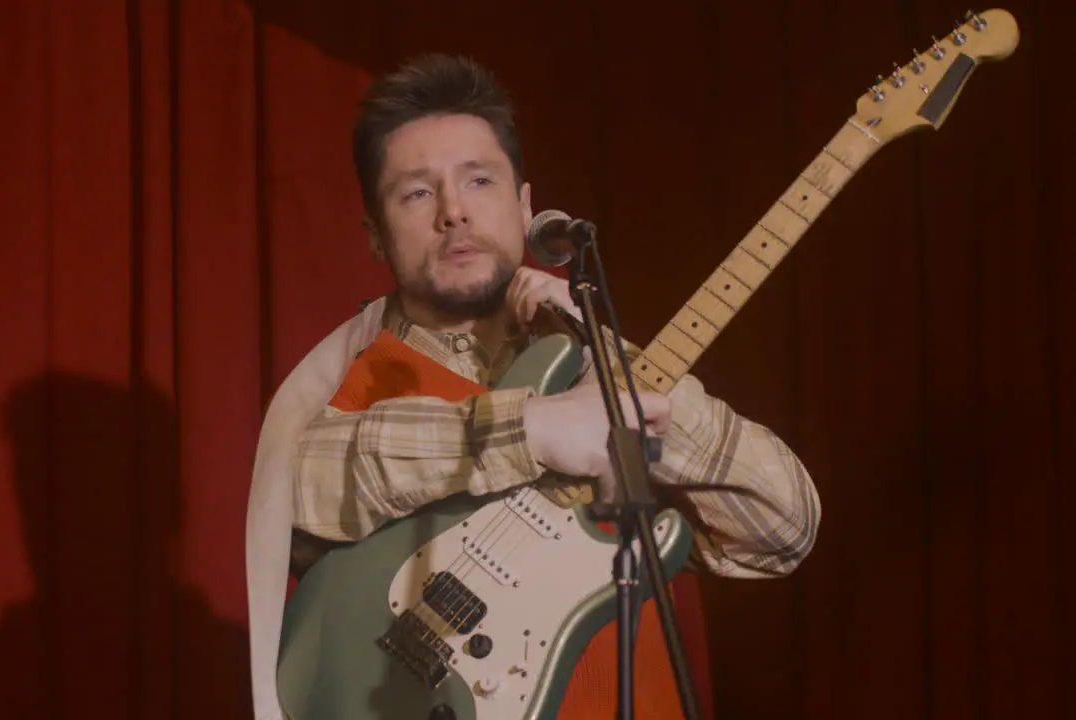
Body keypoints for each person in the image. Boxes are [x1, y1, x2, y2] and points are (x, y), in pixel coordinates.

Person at [247, 53, 820, 719]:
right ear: (375, 235)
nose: (454, 212)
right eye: (416, 193)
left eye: (479, 180)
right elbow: (287, 500)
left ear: (525, 207)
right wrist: (534, 429)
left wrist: (615, 370)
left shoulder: (589, 365)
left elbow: (785, 531)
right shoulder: (345, 383)